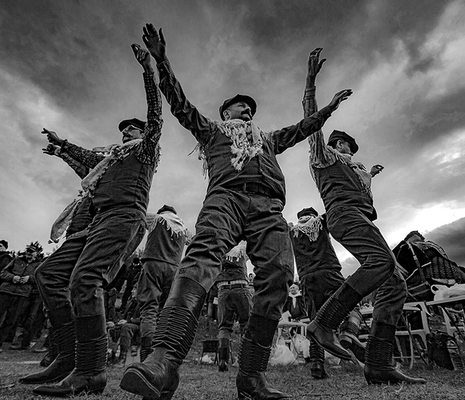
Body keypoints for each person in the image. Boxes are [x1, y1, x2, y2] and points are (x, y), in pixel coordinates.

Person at [120, 24, 352, 400]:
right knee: (199, 261)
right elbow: (180, 105)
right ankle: (163, 361)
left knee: (279, 275)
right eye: (240, 105)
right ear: (225, 111)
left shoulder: (268, 140)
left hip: (269, 208)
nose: (247, 109)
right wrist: (162, 61)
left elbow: (303, 128)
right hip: (225, 199)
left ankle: (251, 377)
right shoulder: (213, 132)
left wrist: (328, 108)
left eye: (250, 108)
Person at [23, 43, 162, 397]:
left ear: (144, 133)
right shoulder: (110, 161)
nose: (126, 132)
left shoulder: (147, 151)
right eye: (124, 130)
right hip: (96, 223)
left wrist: (149, 71)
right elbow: (86, 158)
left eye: (133, 129)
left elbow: (155, 113)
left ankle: (91, 371)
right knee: (48, 274)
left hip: (124, 218)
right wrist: (63, 146)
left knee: (85, 280)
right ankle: (67, 355)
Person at [301, 48, 425, 385]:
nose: (346, 147)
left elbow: (363, 192)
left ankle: (378, 363)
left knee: (395, 282)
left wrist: (370, 175)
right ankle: (324, 322)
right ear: (334, 144)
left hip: (361, 218)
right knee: (381, 263)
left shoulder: (356, 172)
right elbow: (312, 125)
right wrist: (311, 83)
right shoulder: (323, 157)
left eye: (349, 145)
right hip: (343, 215)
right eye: (341, 142)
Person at [288, 206, 365, 379]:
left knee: (316, 323)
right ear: (313, 215)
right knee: (352, 304)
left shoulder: (292, 232)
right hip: (329, 272)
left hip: (307, 279)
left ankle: (317, 365)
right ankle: (348, 331)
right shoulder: (321, 222)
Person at [136, 205, 190, 362]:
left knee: (149, 308)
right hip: (174, 269)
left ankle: (147, 354)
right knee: (165, 311)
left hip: (153, 264)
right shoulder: (182, 227)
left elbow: (137, 218)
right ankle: (161, 354)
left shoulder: (156, 218)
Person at [213, 242, 252, 372]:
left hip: (223, 288)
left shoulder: (219, 248)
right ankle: (246, 360)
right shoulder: (242, 249)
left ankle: (223, 361)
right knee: (246, 323)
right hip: (240, 285)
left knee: (224, 327)